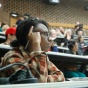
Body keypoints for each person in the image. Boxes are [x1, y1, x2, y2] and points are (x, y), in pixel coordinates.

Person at [0, 18, 65, 83]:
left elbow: (61, 76)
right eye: (46, 34)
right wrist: (36, 44)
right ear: (30, 36)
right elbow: (36, 84)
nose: (50, 39)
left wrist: (45, 78)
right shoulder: (12, 56)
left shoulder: (41, 56)